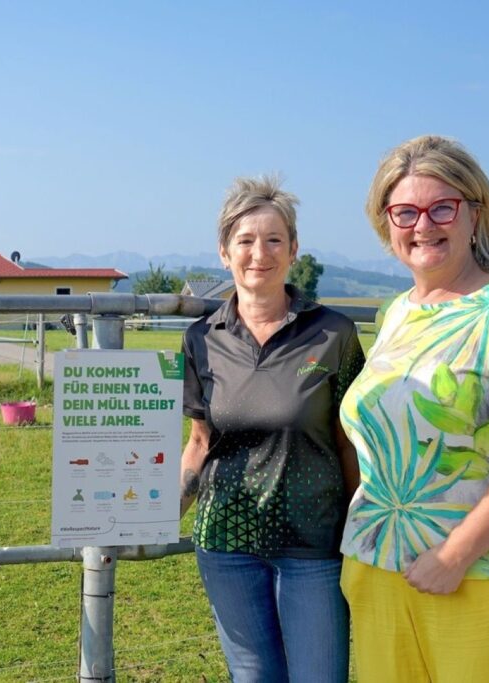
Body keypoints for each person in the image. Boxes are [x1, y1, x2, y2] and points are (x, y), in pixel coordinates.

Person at [339, 135, 489, 682]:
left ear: (476, 213)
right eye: (405, 212)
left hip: (485, 576)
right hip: (379, 569)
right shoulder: (396, 313)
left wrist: (454, 556)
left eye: (441, 208)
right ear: (385, 223)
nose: (422, 225)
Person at [180, 176, 365, 682]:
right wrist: (149, 517)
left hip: (314, 544)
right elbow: (199, 443)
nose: (259, 253)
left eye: (274, 239)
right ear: (224, 253)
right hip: (225, 543)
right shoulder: (201, 339)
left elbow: (350, 444)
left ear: (294, 249)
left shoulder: (334, 334)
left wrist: (360, 529)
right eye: (244, 240)